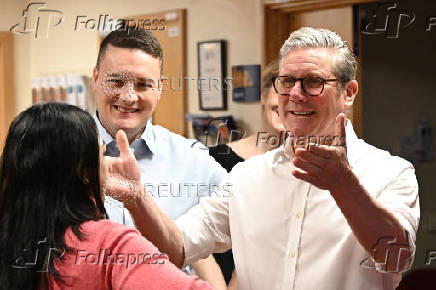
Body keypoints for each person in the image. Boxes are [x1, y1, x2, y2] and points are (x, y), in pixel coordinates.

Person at [105, 27, 420, 290]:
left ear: (349, 93)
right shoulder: (247, 176)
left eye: (313, 82)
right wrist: (137, 198)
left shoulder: (390, 173)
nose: (296, 94)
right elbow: (177, 248)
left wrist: (343, 185)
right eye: (286, 82)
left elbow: (394, 259)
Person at [0, 103, 211, 289]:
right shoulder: (111, 245)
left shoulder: (12, 241)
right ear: (83, 172)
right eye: (102, 154)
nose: (109, 165)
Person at [92, 28, 227, 287]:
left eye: (143, 84)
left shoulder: (192, 158)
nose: (129, 96)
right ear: (96, 78)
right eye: (116, 81)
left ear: (160, 88)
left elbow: (251, 219)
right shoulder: (60, 150)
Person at [208, 59, 284, 287]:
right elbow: (198, 240)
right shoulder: (217, 160)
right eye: (281, 90)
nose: (287, 101)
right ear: (263, 96)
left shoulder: (307, 170)